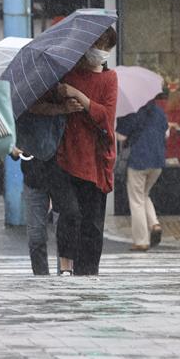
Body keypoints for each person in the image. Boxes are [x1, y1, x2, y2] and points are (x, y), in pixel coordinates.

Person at [54, 27, 119, 276]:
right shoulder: (68, 75)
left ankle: (89, 273)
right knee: (70, 214)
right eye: (98, 45)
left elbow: (106, 117)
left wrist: (79, 96)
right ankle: (66, 267)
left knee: (92, 223)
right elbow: (48, 103)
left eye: (107, 47)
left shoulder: (109, 78)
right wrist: (63, 103)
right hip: (68, 156)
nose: (101, 52)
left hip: (96, 160)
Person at [16, 92, 79, 275]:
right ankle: (40, 277)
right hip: (33, 173)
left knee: (64, 228)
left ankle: (65, 272)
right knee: (36, 234)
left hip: (61, 173)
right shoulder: (23, 99)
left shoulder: (63, 92)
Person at [116, 95, 169, 252]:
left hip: (139, 161)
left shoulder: (133, 113)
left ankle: (141, 241)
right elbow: (166, 134)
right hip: (158, 161)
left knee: (136, 200)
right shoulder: (160, 112)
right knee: (144, 195)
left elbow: (121, 136)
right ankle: (154, 224)